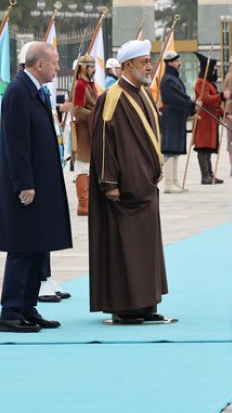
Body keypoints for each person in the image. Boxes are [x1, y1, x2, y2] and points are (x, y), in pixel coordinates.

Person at [88, 39, 171, 324]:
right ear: (127, 66)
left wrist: (157, 164)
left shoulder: (145, 94)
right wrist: (108, 182)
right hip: (123, 190)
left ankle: (146, 304)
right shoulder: (110, 97)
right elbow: (101, 142)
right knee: (125, 248)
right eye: (143, 62)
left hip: (145, 186)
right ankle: (125, 307)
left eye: (149, 61)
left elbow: (151, 134)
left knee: (145, 249)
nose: (149, 66)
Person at [0, 42, 71, 333]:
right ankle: (10, 313)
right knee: (22, 249)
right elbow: (15, 143)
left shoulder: (37, 91)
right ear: (39, 64)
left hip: (41, 185)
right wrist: (24, 184)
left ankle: (28, 308)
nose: (57, 68)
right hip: (26, 189)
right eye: (53, 63)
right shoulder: (17, 92)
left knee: (38, 247)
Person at [159, 50, 199, 193]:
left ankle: (175, 181)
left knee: (175, 151)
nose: (179, 63)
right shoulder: (168, 79)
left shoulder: (173, 78)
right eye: (176, 60)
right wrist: (190, 105)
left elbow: (182, 97)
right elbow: (174, 99)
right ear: (170, 62)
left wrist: (191, 106)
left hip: (176, 117)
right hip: (171, 117)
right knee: (170, 150)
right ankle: (168, 184)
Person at [70, 55, 98, 216]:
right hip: (83, 131)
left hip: (90, 129)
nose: (93, 69)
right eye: (91, 66)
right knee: (82, 166)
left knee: (89, 167)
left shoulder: (88, 84)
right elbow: (78, 110)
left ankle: (89, 203)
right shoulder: (80, 85)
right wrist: (96, 113)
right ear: (83, 68)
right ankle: (83, 204)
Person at [194, 52, 224, 185]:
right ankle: (204, 175)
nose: (215, 71)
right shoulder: (201, 83)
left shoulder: (208, 82)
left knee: (209, 148)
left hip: (211, 119)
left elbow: (215, 101)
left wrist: (223, 112)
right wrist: (221, 96)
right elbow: (206, 100)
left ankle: (210, 174)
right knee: (203, 147)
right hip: (204, 119)